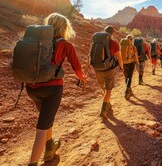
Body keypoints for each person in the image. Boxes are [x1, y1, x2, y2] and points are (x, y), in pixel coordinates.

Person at [26, 13, 86, 166]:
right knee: (42, 127)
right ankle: (33, 163)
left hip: (31, 87)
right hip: (52, 88)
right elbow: (77, 68)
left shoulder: (36, 41)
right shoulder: (65, 44)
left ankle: (49, 148)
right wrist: (82, 78)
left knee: (47, 118)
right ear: (65, 28)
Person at [94, 25, 124, 118]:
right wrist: (122, 67)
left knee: (103, 87)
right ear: (112, 33)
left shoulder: (96, 42)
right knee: (108, 90)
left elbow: (90, 56)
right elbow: (119, 57)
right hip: (109, 69)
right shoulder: (114, 43)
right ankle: (103, 110)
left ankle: (107, 103)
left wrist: (87, 68)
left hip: (97, 68)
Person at [121, 35, 139, 100]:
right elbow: (136, 56)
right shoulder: (133, 47)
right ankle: (127, 90)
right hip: (131, 63)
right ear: (131, 40)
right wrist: (138, 63)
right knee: (130, 77)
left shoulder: (122, 45)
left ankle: (129, 90)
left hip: (123, 63)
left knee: (126, 77)